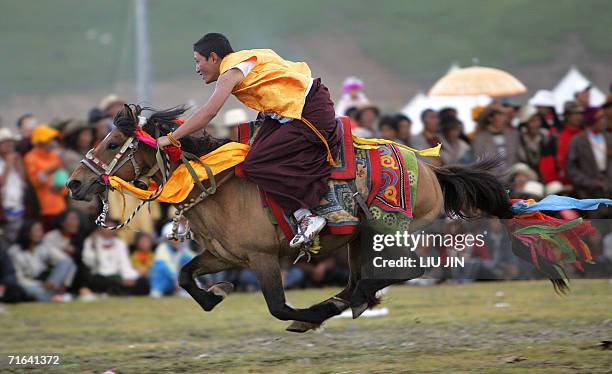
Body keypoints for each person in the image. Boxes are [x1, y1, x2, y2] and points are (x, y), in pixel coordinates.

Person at [156, 33, 341, 248]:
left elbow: (209, 113)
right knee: (247, 152)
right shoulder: (247, 56)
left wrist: (170, 138)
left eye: (198, 61)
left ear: (213, 57)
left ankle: (306, 216)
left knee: (255, 165)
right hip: (295, 108)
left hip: (307, 112)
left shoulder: (230, 72)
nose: (197, 68)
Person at [8, 220, 75, 302]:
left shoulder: (44, 246)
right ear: (27, 232)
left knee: (67, 262)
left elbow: (65, 260)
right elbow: (18, 278)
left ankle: (54, 295)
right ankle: (53, 297)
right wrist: (41, 285)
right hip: (28, 284)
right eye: (36, 230)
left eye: (41, 230)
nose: (40, 233)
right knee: (33, 290)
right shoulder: (14, 251)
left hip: (47, 283)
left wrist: (63, 285)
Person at [566, 109, 611, 218]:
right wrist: (587, 182)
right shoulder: (578, 140)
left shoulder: (609, 138)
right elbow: (571, 168)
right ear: (592, 120)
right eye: (600, 118)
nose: (604, 121)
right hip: (588, 191)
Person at [81, 223, 149, 295]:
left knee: (142, 282)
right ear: (100, 228)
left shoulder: (120, 243)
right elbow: (88, 263)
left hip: (119, 276)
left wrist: (130, 278)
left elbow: (124, 264)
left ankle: (117, 291)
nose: (110, 229)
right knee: (98, 281)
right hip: (101, 276)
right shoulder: (91, 241)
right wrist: (93, 246)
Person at [23, 125, 68, 229]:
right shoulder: (30, 158)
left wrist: (62, 190)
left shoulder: (54, 156)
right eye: (49, 139)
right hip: (43, 209)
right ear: (41, 141)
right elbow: (35, 182)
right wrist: (47, 172)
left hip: (61, 206)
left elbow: (63, 177)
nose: (52, 142)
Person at [148, 223, 194, 298]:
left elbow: (193, 259)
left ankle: (183, 290)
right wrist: (177, 279)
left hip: (176, 282)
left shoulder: (182, 249)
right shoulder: (162, 248)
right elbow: (165, 267)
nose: (177, 239)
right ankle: (157, 289)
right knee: (161, 268)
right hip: (164, 281)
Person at [0, 128, 26, 243]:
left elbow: (23, 184)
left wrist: (18, 165)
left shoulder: (16, 160)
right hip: (5, 211)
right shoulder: (4, 163)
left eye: (11, 142)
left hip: (18, 208)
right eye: (5, 142)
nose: (9, 145)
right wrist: (8, 165)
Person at [557, 101, 585, 185]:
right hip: (564, 181)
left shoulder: (584, 134)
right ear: (567, 116)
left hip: (584, 180)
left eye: (580, 114)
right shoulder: (558, 135)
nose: (579, 117)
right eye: (575, 114)